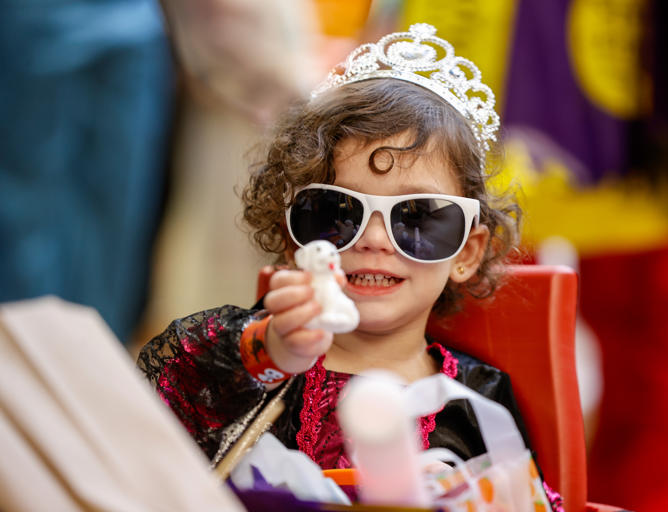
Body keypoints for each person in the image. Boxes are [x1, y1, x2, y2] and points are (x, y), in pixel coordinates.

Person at [138, 24, 563, 510]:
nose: (374, 241)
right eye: (335, 213)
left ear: (467, 252)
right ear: (292, 235)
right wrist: (271, 349)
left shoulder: (475, 399)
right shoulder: (248, 360)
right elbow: (162, 406)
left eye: (419, 216)